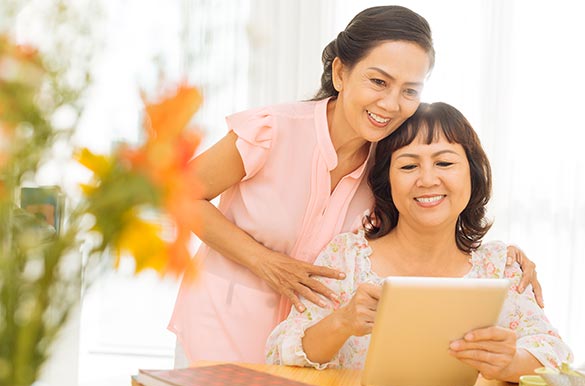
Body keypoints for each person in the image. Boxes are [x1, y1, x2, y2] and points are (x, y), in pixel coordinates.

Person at [169, 6, 541, 367]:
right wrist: (267, 263)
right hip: (221, 330)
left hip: (308, 354)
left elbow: (426, 229)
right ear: (341, 73)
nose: (391, 103)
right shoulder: (273, 129)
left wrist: (503, 258)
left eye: (410, 90)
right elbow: (177, 194)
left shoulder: (391, 162)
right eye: (379, 81)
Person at [266, 102, 572, 382]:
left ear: (473, 174)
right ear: (387, 181)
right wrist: (342, 322)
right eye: (409, 166)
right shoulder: (346, 258)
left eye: (444, 163)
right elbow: (281, 354)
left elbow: (556, 356)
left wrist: (509, 362)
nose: (427, 180)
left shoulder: (499, 267)